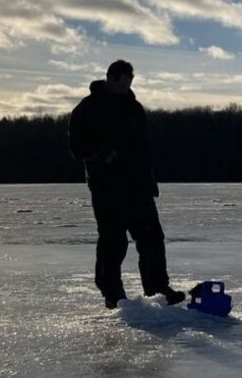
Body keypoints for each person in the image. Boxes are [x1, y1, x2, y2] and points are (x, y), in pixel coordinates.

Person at [68, 59, 185, 309]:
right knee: (113, 240)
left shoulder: (134, 108)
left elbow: (144, 147)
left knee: (152, 238)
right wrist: (100, 153)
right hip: (107, 187)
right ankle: (112, 292)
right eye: (122, 83)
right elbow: (76, 147)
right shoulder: (88, 108)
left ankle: (158, 289)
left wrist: (149, 176)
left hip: (138, 185)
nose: (125, 88)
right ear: (109, 78)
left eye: (129, 83)